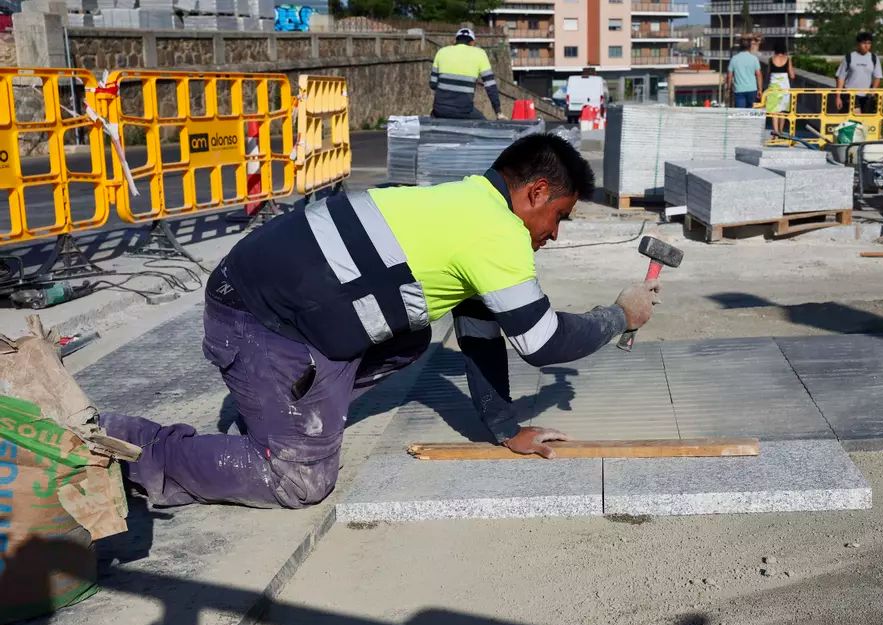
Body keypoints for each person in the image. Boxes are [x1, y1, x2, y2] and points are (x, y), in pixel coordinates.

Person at [100, 134, 662, 509]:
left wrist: (505, 430)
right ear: (536, 192)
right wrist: (618, 315)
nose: (555, 233)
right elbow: (541, 342)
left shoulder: (465, 202)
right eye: (558, 216)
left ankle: (291, 416)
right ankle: (128, 444)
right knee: (299, 480)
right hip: (254, 321)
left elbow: (481, 327)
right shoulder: (497, 233)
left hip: (278, 307)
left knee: (412, 333)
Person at [430, 27, 506, 120]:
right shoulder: (480, 54)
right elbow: (490, 87)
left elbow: (433, 84)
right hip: (463, 111)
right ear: (472, 42)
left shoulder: (441, 52)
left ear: (455, 41)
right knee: (484, 124)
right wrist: (498, 112)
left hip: (440, 110)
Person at [834, 31, 883, 114]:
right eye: (864, 43)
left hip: (866, 95)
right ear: (858, 44)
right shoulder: (849, 57)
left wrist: (873, 91)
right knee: (857, 115)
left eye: (869, 43)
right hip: (850, 93)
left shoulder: (874, 58)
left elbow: (877, 77)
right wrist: (838, 97)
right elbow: (840, 77)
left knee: (863, 122)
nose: (866, 46)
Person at [765, 46, 796, 136]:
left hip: (773, 85)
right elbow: (792, 75)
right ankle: (781, 130)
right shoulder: (787, 59)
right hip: (784, 86)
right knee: (782, 109)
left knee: (774, 109)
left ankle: (775, 130)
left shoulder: (771, 59)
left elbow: (768, 72)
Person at [726, 40, 762, 109]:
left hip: (739, 90)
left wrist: (728, 89)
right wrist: (760, 89)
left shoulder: (734, 59)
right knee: (750, 112)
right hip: (752, 89)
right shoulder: (754, 58)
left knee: (740, 113)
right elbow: (758, 74)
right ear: (749, 47)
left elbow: (729, 75)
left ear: (740, 48)